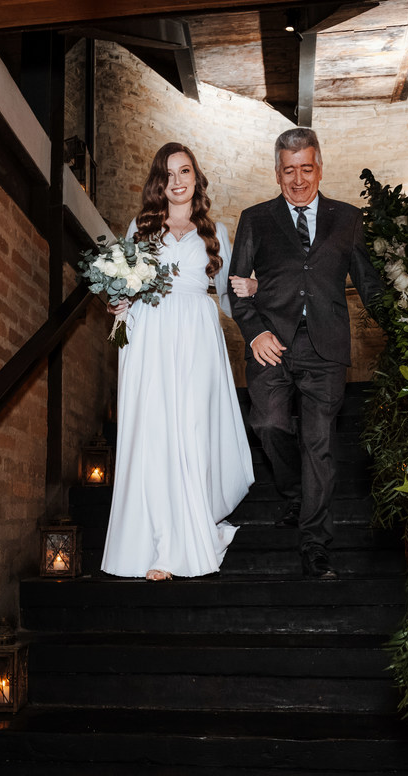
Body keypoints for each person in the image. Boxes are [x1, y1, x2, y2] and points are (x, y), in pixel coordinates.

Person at [228, 128, 383, 580]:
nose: (299, 180)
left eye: (307, 169)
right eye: (289, 170)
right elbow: (237, 289)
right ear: (277, 172)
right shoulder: (255, 218)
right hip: (270, 344)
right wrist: (254, 332)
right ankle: (292, 489)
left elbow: (370, 286)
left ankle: (315, 543)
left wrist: (407, 327)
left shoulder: (348, 218)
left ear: (320, 168)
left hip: (326, 348)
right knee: (268, 422)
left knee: (319, 445)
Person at [101, 142, 255, 581]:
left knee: (190, 428)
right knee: (154, 433)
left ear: (195, 177)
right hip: (149, 335)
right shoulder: (141, 227)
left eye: (184, 171)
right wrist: (118, 303)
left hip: (197, 338)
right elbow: (124, 287)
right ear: (158, 182)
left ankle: (186, 536)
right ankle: (159, 544)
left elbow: (226, 296)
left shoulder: (216, 232)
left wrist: (253, 294)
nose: (177, 181)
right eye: (168, 174)